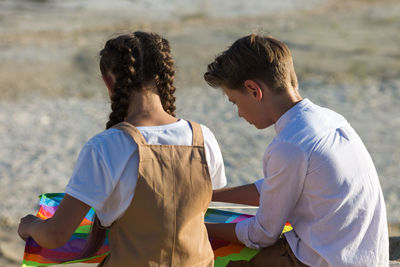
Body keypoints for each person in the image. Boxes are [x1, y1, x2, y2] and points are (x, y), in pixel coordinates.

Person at [18, 31, 227, 266]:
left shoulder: (105, 146)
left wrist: (31, 225)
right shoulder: (203, 138)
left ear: (109, 81)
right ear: (164, 77)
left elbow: (56, 235)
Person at [203, 34, 389, 266]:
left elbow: (261, 234)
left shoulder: (289, 146)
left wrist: (197, 227)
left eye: (234, 102)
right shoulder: (330, 119)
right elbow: (276, 187)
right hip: (364, 257)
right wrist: (211, 195)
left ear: (253, 90)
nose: (239, 113)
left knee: (206, 259)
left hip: (324, 261)